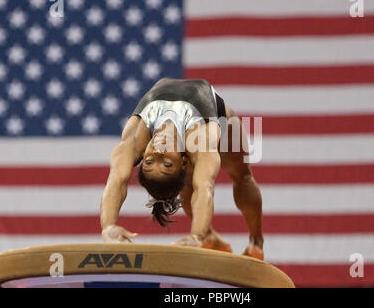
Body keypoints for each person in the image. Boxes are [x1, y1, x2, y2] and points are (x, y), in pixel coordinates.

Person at [99, 78, 264, 260]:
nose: (158, 151)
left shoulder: (137, 137)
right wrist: (196, 235)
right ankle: (211, 235)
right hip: (218, 117)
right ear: (184, 161)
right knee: (214, 176)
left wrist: (108, 225)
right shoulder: (200, 139)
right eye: (167, 163)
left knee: (242, 176)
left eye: (149, 161)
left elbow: (116, 180)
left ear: (142, 155)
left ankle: (255, 239)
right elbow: (204, 188)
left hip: (186, 105)